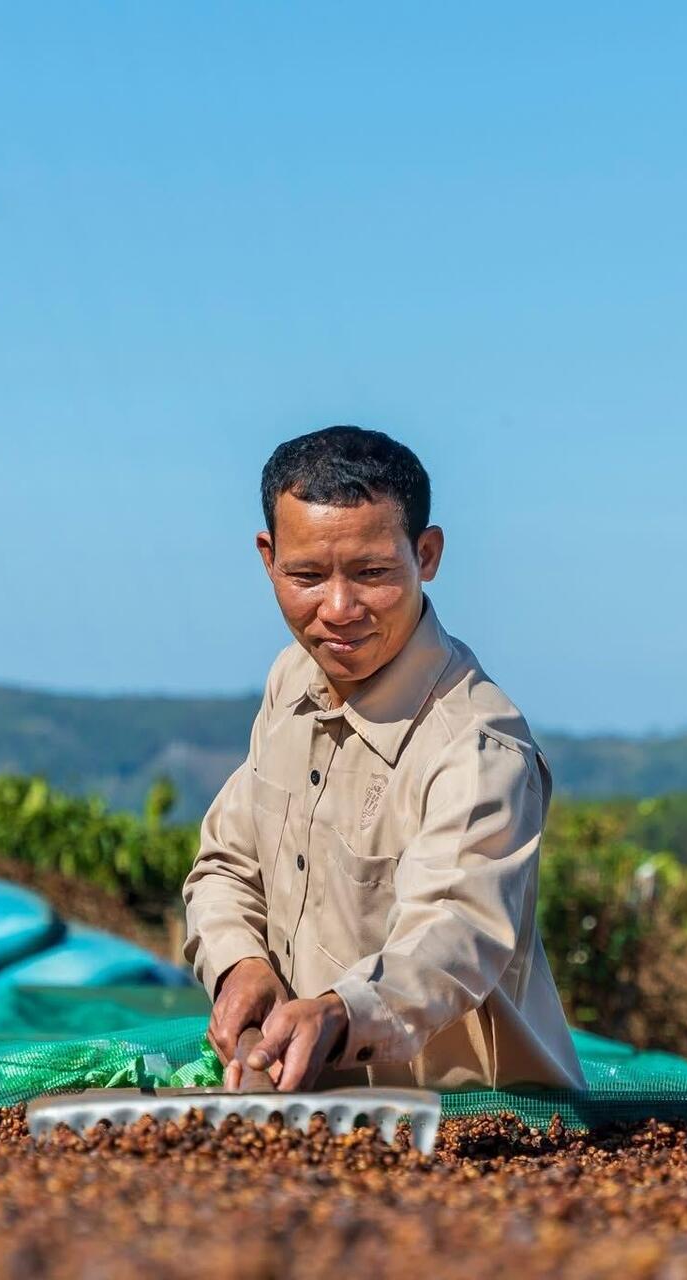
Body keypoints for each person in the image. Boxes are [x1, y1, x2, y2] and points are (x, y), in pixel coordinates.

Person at [183, 426, 585, 1093]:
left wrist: (343, 1015)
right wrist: (240, 965)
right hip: (314, 1113)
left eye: (372, 574)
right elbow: (227, 863)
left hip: (475, 1127)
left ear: (426, 555)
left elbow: (455, 933)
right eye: (306, 576)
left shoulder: (477, 745)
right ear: (268, 558)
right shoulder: (291, 683)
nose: (338, 611)